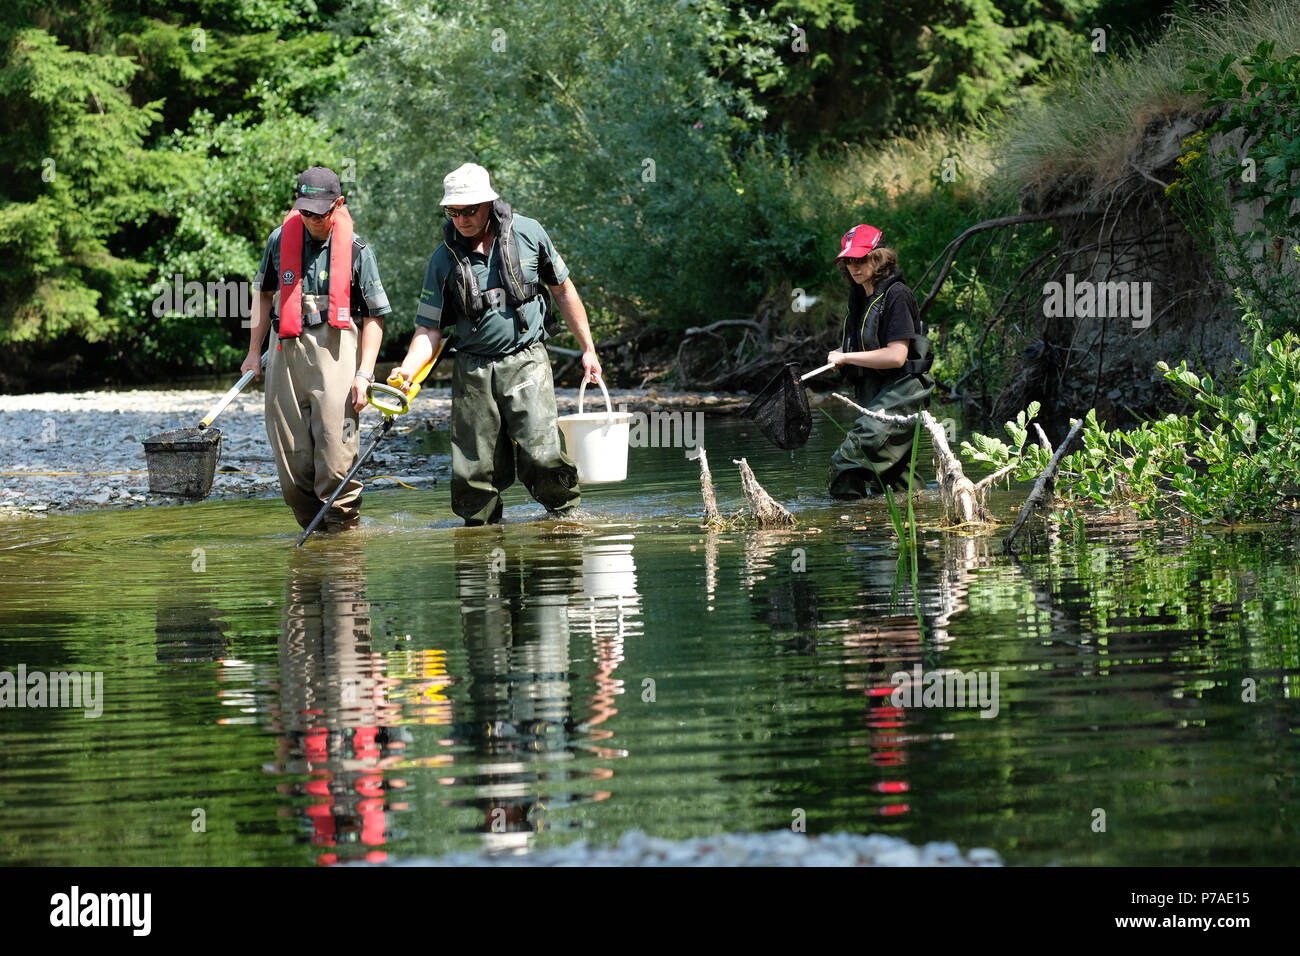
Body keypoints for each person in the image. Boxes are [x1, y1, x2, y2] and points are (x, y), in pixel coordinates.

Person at [390, 163, 602, 525]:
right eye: (453, 211)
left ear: (489, 203)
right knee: (472, 472)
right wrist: (407, 371)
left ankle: (566, 522)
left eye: (469, 210)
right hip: (472, 369)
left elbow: (563, 290)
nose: (461, 219)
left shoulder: (530, 233)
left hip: (527, 361)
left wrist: (588, 349)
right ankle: (482, 541)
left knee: (543, 455)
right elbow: (428, 331)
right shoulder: (443, 260)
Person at [241, 166, 391, 532]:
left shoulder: (358, 251)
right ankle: (313, 551)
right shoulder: (280, 240)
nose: (311, 220)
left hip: (337, 356)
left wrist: (364, 374)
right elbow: (263, 295)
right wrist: (251, 352)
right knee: (293, 476)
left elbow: (375, 317)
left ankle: (343, 552)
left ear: (338, 205)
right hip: (285, 356)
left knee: (337, 466)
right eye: (305, 211)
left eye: (320, 213)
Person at [826, 224, 935, 499]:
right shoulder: (860, 296)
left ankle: (846, 527)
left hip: (903, 389)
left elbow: (896, 356)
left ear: (879, 258)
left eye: (860, 258)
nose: (854, 266)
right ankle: (915, 523)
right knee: (896, 479)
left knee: (847, 459)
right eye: (848, 260)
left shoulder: (897, 295)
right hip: (875, 390)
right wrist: (842, 353)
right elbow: (868, 342)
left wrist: (847, 356)